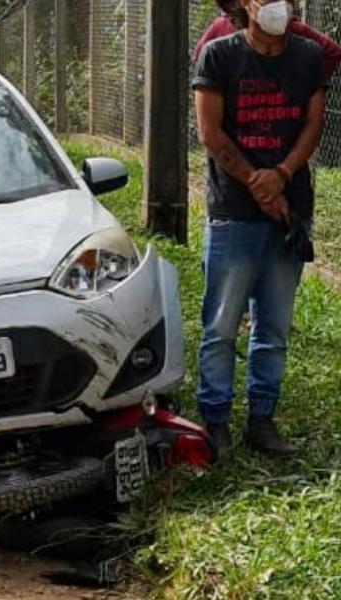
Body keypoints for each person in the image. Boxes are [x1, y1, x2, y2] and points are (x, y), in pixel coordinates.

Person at [193, 0, 326, 457]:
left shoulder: (308, 57)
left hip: (290, 211)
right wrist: (257, 183)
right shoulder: (219, 56)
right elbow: (210, 133)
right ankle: (215, 420)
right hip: (234, 212)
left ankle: (262, 420)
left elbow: (313, 124)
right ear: (242, 5)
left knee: (273, 326)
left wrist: (283, 175)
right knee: (222, 325)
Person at [194, 0, 341, 81]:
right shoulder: (221, 29)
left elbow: (332, 52)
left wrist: (303, 84)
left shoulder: (290, 29)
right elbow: (202, 59)